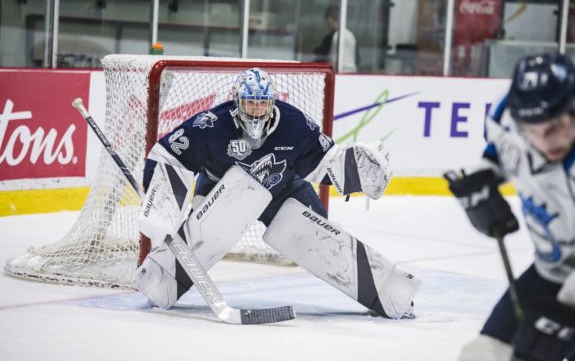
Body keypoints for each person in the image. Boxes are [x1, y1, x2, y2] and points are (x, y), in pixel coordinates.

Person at [132, 67, 421, 319]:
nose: (256, 109)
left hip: (282, 189)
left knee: (323, 238)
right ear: (237, 101)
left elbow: (322, 159)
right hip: (220, 191)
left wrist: (356, 170)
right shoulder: (210, 125)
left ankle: (389, 294)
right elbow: (169, 155)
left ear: (271, 102)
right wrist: (160, 207)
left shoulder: (294, 124)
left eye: (262, 103)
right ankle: (160, 280)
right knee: (198, 238)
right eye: (250, 103)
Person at [444, 52, 575, 361]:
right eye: (534, 129)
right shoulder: (506, 117)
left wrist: (564, 312)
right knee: (484, 354)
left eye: (556, 125)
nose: (547, 140)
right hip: (550, 270)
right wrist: (482, 179)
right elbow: (499, 154)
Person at [313, 5, 358, 73]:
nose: (326, 24)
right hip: (352, 73)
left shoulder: (332, 37)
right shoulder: (351, 35)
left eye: (326, 21)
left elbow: (323, 55)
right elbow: (358, 58)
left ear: (329, 19)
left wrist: (314, 50)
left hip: (336, 73)